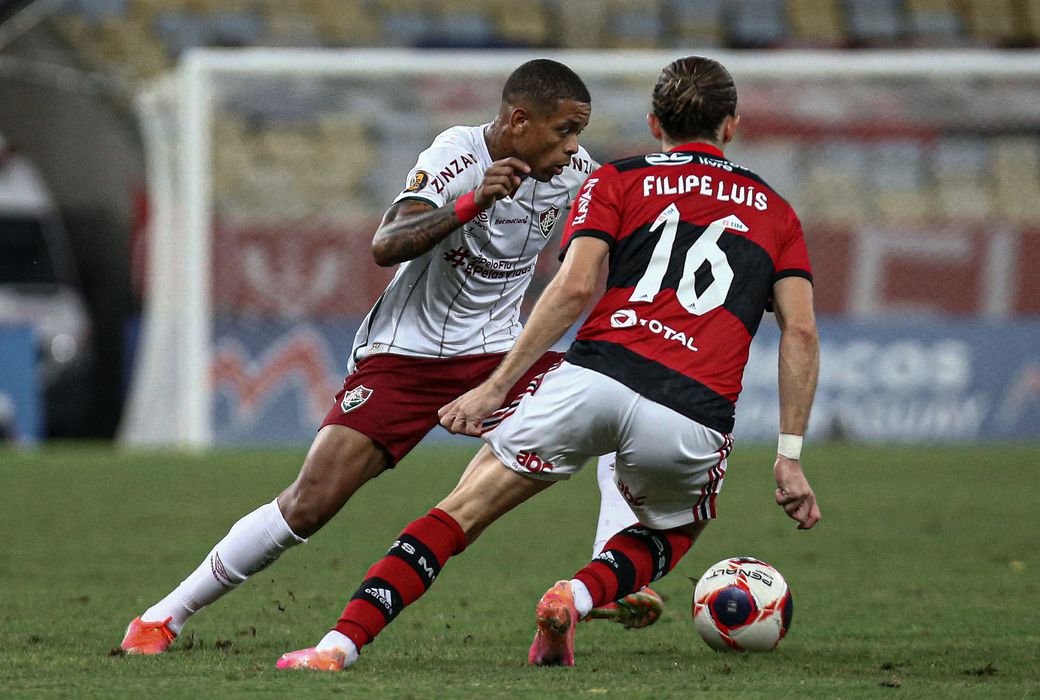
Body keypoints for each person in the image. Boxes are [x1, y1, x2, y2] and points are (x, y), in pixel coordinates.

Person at [274, 55, 821, 672]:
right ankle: (579, 593)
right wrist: (790, 456)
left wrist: (496, 386)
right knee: (673, 532)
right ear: (730, 127)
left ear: (652, 122)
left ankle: (336, 646)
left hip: (594, 376)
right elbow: (799, 332)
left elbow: (572, 288)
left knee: (458, 514)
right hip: (691, 405)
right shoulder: (776, 211)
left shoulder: (617, 178)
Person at [120, 59, 662, 655]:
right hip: (406, 357)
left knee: (616, 406)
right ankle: (162, 617)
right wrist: (469, 203)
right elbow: (385, 243)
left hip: (500, 358)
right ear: (518, 121)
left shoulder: (577, 174)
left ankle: (608, 575)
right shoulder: (456, 153)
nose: (572, 147)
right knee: (309, 503)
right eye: (564, 130)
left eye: (578, 133)